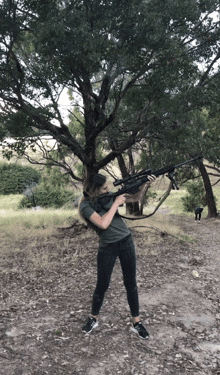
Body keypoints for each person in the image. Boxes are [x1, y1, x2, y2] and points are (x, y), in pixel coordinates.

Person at [79, 173, 156, 339]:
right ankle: (93, 318)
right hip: (108, 247)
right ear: (94, 191)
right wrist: (115, 204)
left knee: (131, 283)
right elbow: (103, 224)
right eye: (105, 188)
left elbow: (134, 199)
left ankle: (137, 322)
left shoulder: (108, 197)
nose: (108, 189)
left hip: (126, 241)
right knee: (102, 284)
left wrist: (144, 184)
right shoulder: (85, 206)